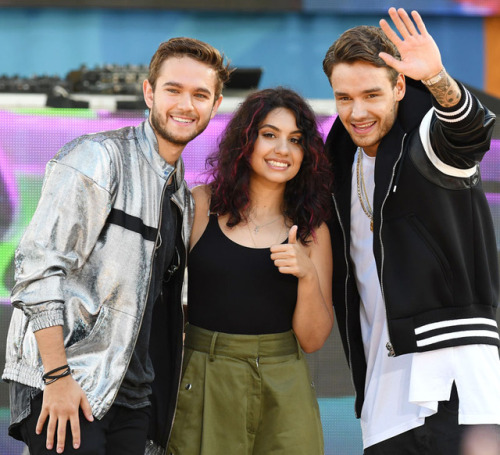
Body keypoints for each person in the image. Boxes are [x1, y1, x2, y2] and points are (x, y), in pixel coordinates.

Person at [2, 37, 231, 455]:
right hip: (71, 384)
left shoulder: (180, 194)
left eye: (200, 94)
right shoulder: (98, 158)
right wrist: (56, 378)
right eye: (173, 90)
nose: (186, 104)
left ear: (215, 106)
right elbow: (34, 270)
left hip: (134, 396)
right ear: (149, 92)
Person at [322, 7, 500, 455]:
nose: (357, 111)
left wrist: (438, 79)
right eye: (344, 98)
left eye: (371, 94)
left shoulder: (425, 137)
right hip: (383, 397)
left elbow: (469, 135)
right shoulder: (339, 160)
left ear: (400, 86)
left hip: (455, 385)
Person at [165, 87, 334, 455]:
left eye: (295, 140)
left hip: (283, 381)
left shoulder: (312, 229)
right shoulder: (201, 204)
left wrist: (306, 276)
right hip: (205, 374)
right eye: (269, 135)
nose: (282, 150)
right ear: (246, 141)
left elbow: (313, 339)